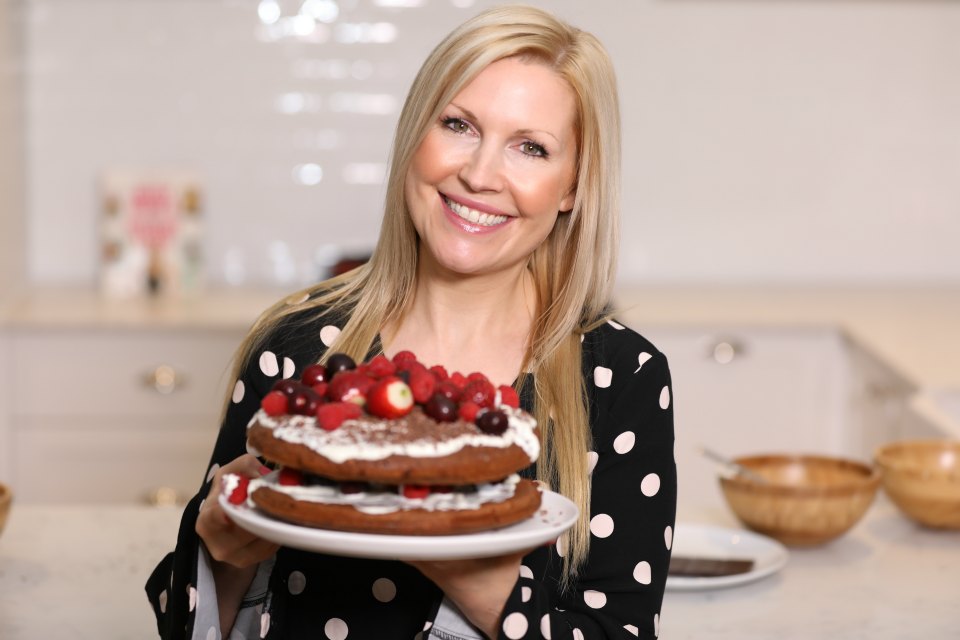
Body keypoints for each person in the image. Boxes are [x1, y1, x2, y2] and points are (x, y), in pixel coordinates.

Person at [146, 5, 676, 639]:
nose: (480, 175)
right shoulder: (296, 347)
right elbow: (189, 623)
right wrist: (223, 556)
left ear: (572, 187)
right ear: (414, 136)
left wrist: (479, 579)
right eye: (458, 125)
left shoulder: (622, 378)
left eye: (530, 147)